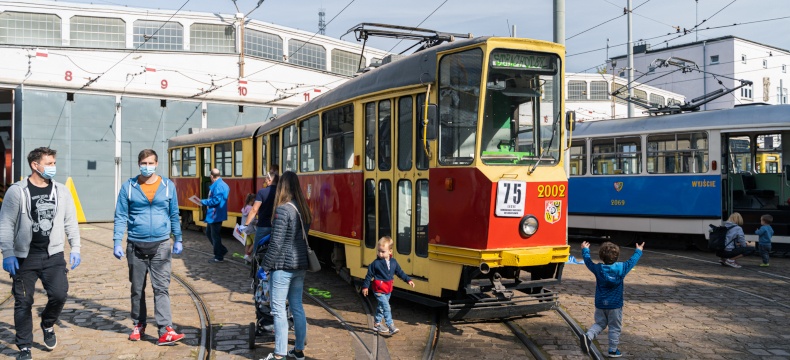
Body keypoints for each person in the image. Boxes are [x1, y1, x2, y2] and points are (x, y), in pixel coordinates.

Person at [0, 147, 82, 360]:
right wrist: (7, 253)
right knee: (23, 302)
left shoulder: (61, 191)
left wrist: (76, 247)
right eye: (49, 163)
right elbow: (6, 224)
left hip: (53, 255)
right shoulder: (16, 191)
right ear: (35, 165)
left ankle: (47, 323)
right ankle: (24, 347)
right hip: (23, 258)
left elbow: (70, 221)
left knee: (59, 294)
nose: (53, 167)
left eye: (54, 162)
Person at [112, 149, 185, 346]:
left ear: (157, 163)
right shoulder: (129, 186)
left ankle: (165, 329)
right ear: (139, 164)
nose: (147, 166)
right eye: (144, 163)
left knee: (161, 288)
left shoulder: (167, 186)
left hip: (161, 244)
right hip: (135, 244)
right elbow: (120, 216)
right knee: (137, 289)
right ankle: (139, 324)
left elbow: (174, 213)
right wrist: (117, 241)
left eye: (151, 162)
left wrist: (178, 238)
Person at [261, 171, 310, 360]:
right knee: (297, 306)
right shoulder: (303, 209)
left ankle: (279, 354)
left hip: (282, 267)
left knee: (278, 309)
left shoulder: (283, 210)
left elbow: (276, 244)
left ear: (282, 187)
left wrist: (264, 267)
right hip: (299, 265)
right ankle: (298, 350)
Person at [580, 241, 644, 358]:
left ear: (601, 256)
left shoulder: (598, 268)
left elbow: (588, 262)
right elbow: (632, 261)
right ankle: (613, 350)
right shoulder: (622, 267)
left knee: (600, 323)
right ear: (617, 256)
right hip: (615, 305)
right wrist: (638, 251)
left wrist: (585, 250)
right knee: (614, 327)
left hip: (600, 303)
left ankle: (588, 336)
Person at [361, 236, 415, 335]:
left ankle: (377, 324)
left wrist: (408, 280)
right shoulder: (375, 263)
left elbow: (400, 272)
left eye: (383, 251)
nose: (380, 254)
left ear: (390, 251)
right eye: (379, 251)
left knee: (381, 308)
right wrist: (365, 287)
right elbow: (369, 275)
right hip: (379, 290)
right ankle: (390, 326)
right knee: (386, 307)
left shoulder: (393, 262)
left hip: (388, 290)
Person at [242, 165, 279, 251]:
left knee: (257, 248)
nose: (265, 181)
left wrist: (246, 224)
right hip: (277, 226)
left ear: (270, 180)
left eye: (266, 179)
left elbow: (254, 210)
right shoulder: (280, 192)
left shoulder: (262, 192)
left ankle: (257, 263)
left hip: (264, 225)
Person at [202, 168, 229, 262]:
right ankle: (221, 250)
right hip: (215, 214)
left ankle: (219, 256)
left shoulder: (218, 186)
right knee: (209, 233)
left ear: (211, 176)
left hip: (215, 215)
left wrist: (203, 201)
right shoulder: (221, 184)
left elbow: (215, 200)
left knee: (214, 235)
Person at [241, 193, 257, 263]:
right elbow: (252, 220)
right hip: (251, 229)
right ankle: (247, 255)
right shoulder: (251, 209)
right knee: (256, 241)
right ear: (253, 200)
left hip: (245, 229)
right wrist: (258, 221)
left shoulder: (245, 207)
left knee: (248, 243)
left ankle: (246, 259)